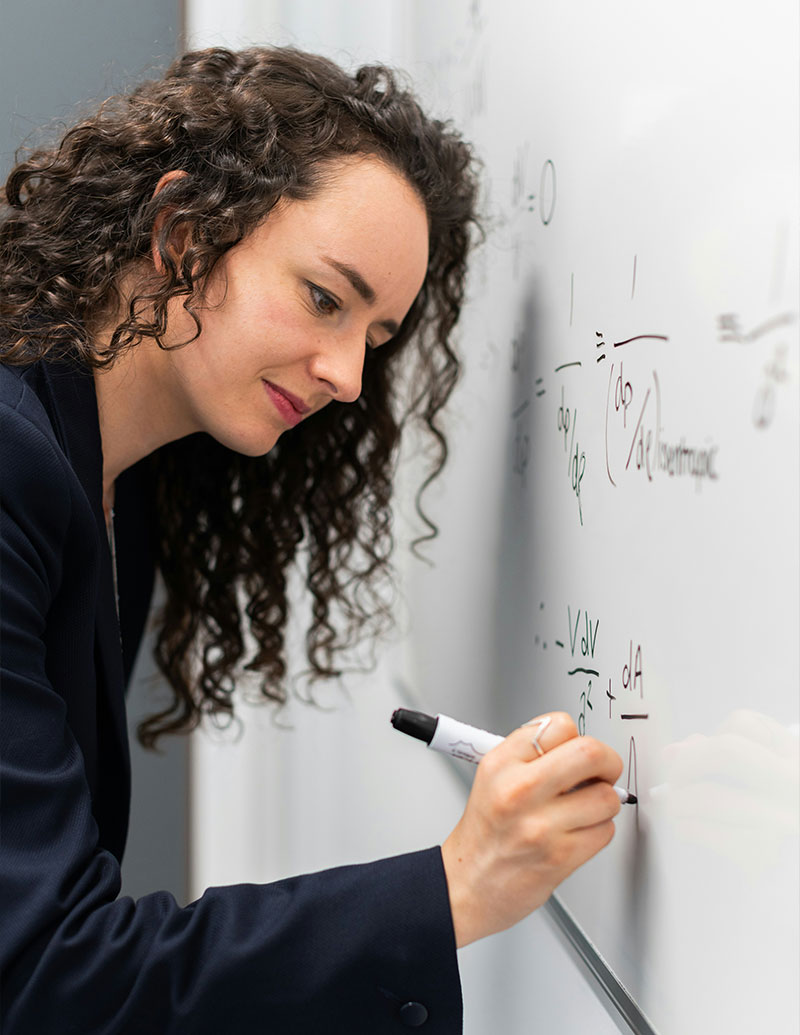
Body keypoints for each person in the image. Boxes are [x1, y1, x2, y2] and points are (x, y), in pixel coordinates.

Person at [0, 46, 623, 1033]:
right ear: (179, 234)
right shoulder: (13, 463)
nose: (347, 378)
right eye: (325, 298)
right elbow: (41, 974)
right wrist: (459, 884)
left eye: (374, 340)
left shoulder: (118, 474)